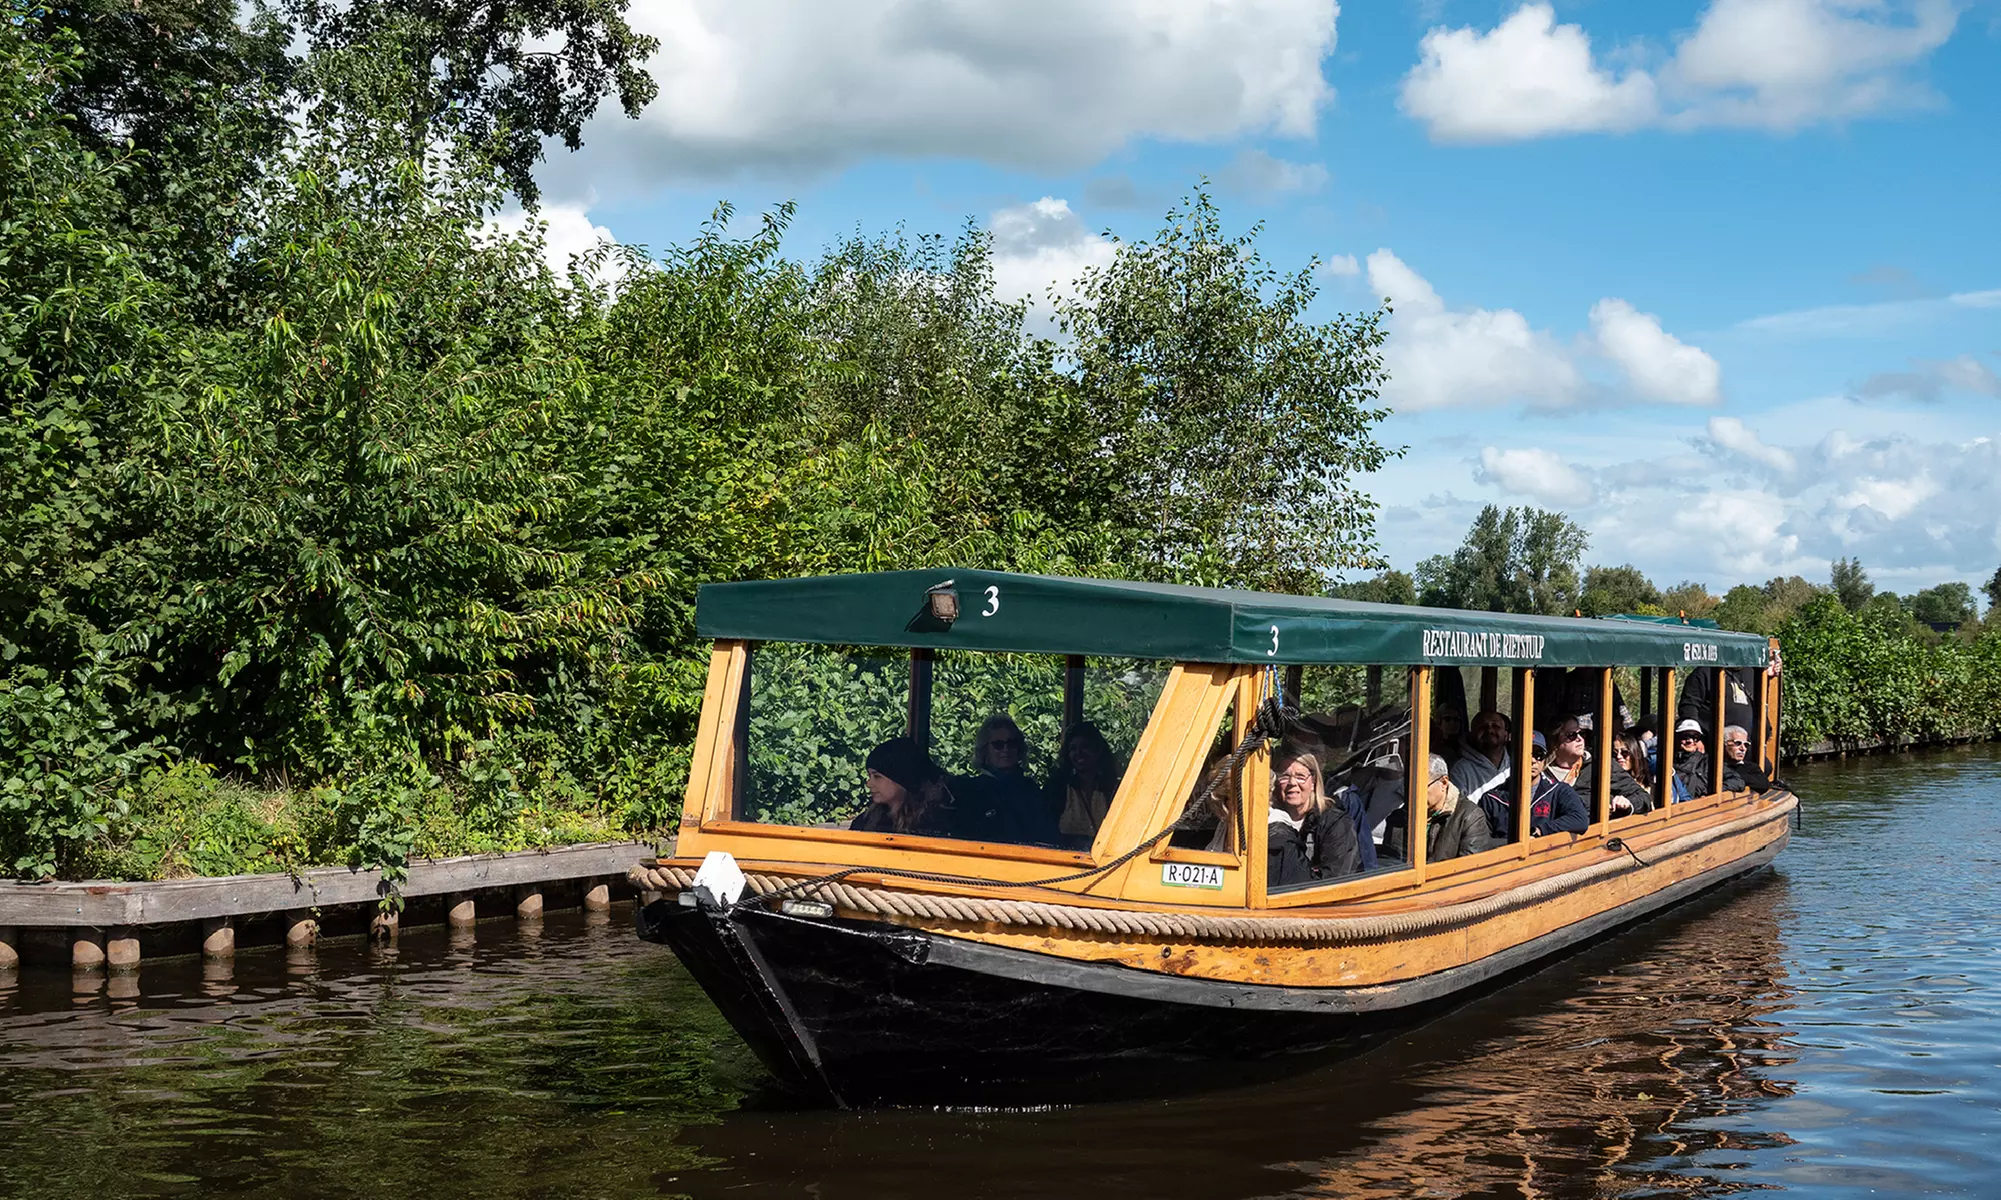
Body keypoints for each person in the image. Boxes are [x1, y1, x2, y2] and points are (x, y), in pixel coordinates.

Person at [954, 714, 1060, 846]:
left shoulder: (1031, 790)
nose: (1006, 749)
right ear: (985, 751)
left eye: (1012, 743)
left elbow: (1049, 837)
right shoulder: (971, 791)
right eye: (998, 745)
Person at [1267, 749, 1361, 888]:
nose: (1292, 782)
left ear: (1313, 782)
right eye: (1285, 776)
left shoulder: (1335, 823)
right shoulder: (1268, 819)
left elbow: (1335, 880)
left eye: (1300, 776)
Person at [1384, 753, 1498, 863]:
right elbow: (1391, 862)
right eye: (1409, 787)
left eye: (1420, 788)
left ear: (1443, 783)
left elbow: (1470, 869)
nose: (1414, 795)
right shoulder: (1399, 818)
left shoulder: (1470, 818)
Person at [1480, 732, 1591, 840]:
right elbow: (1482, 843)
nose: (1533, 760)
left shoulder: (1559, 791)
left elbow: (1580, 820)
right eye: (1526, 754)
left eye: (1539, 755)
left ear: (1545, 759)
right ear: (1512, 756)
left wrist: (1540, 831)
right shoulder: (1491, 799)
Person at [1548, 714, 1652, 817]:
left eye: (1581, 734)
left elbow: (1643, 797)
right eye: (1572, 735)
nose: (1580, 739)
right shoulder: (1542, 773)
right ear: (1554, 742)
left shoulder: (1602, 766)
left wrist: (1628, 804)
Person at [850, 737, 956, 836]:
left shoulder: (933, 826)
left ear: (903, 779)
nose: (869, 784)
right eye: (869, 776)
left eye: (877, 776)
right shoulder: (865, 821)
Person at [1045, 721, 1121, 848]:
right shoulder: (1058, 788)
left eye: (1085, 746)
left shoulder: (1113, 789)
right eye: (1073, 749)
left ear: (1098, 750)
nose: (1078, 753)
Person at [1452, 708, 1514, 807]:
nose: (1490, 730)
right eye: (1483, 727)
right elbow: (1458, 810)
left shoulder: (1516, 765)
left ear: (1506, 735)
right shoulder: (1460, 770)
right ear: (1472, 735)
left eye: (1496, 726)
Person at [1721, 724, 1772, 792]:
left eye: (1746, 745)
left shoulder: (1751, 767)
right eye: (1738, 743)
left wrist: (1735, 777)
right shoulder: (1713, 766)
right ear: (1724, 744)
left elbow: (1764, 784)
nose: (1743, 748)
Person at [1674, 718, 1715, 799]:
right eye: (1685, 736)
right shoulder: (1667, 761)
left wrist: (1708, 792)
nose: (1690, 741)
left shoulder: (1708, 761)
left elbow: (1736, 781)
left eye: (1695, 737)